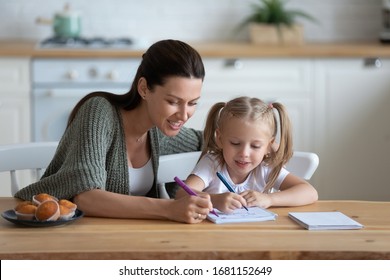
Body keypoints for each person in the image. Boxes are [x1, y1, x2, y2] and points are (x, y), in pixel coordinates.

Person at [14, 39, 213, 224]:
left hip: (130, 237)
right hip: (76, 238)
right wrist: (169, 208)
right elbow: (86, 198)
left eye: (193, 103)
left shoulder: (159, 132)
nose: (184, 115)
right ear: (144, 88)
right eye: (173, 102)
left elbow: (212, 142)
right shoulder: (99, 112)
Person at [177, 96, 318, 213]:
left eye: (255, 146)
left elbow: (310, 192)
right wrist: (215, 199)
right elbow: (182, 194)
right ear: (219, 139)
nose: (244, 153)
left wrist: (269, 199)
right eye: (235, 143)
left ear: (269, 146)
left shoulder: (265, 168)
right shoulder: (212, 164)